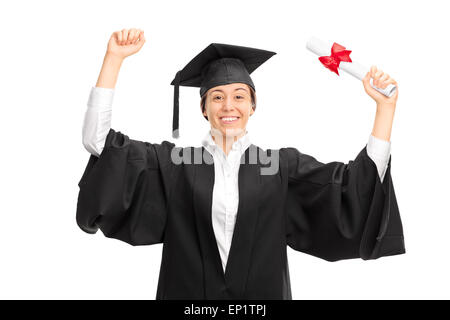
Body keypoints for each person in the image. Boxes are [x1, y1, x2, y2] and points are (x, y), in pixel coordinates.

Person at [76, 28, 405, 300]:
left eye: (238, 96)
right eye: (217, 96)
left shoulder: (279, 167)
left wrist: (385, 109)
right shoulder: (175, 165)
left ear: (252, 106)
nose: (228, 105)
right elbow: (100, 144)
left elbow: (356, 186)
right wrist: (113, 60)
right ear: (204, 108)